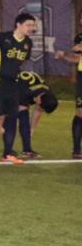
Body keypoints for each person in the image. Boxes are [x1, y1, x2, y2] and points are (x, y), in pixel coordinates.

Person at [0, 12, 35, 164]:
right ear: (18, 24)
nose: (31, 28)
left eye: (33, 25)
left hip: (13, 85)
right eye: (28, 25)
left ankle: (7, 153)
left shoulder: (27, 43)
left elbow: (20, 63)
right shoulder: (3, 38)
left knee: (12, 117)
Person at [2, 70, 58, 159]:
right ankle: (8, 150)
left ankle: (27, 150)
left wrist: (32, 129)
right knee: (15, 116)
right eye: (41, 106)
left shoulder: (47, 93)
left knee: (23, 115)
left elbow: (38, 110)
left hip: (22, 86)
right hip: (6, 86)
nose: (40, 108)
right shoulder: (26, 92)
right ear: (39, 100)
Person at [52, 25, 82, 159]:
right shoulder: (79, 37)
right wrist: (64, 55)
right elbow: (77, 58)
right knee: (80, 113)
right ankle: (77, 149)